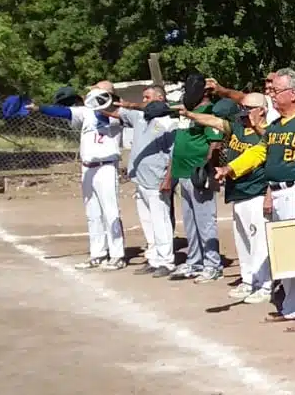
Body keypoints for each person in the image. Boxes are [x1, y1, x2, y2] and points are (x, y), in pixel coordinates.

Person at [220, 68, 295, 332]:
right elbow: (258, 152)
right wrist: (230, 168)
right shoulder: (276, 126)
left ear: (292, 94)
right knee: (284, 255)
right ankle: (291, 308)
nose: (272, 96)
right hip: (279, 192)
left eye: (276, 91)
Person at [179, 93, 274, 303]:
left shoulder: (269, 132)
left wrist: (269, 196)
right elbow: (214, 122)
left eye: (248, 108)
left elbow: (269, 157)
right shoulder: (238, 126)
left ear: (262, 110)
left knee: (259, 242)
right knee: (242, 241)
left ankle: (265, 285)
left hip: (256, 192)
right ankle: (249, 280)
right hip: (237, 191)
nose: (243, 111)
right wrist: (189, 114)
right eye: (242, 107)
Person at [30, 82, 127, 270]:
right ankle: (98, 254)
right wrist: (38, 108)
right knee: (93, 214)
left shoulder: (117, 113)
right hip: (88, 168)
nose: (90, 91)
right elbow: (63, 112)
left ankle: (117, 255)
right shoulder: (87, 111)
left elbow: (105, 116)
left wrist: (106, 100)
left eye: (96, 88)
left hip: (106, 167)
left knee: (111, 212)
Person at [108, 86, 177, 277]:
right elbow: (113, 111)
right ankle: (153, 258)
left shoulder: (168, 123)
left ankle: (167, 261)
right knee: (147, 221)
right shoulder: (139, 117)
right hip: (140, 179)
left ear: (160, 98)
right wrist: (97, 100)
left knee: (160, 220)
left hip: (157, 180)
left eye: (147, 97)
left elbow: (173, 155)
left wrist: (168, 179)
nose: (143, 100)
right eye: (143, 98)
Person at [165, 82, 225, 283]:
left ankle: (212, 264)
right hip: (183, 172)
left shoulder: (209, 112)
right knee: (190, 221)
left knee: (205, 220)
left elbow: (215, 144)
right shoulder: (187, 113)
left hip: (198, 174)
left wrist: (208, 171)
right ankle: (195, 260)